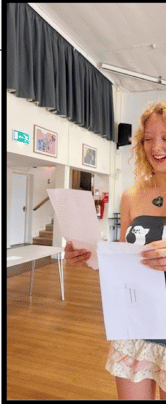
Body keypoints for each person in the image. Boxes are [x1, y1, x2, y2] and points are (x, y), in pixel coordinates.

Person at [65, 101, 166, 400]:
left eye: (165, 137)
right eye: (148, 138)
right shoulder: (131, 195)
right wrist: (89, 257)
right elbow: (126, 259)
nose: (155, 147)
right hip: (136, 323)